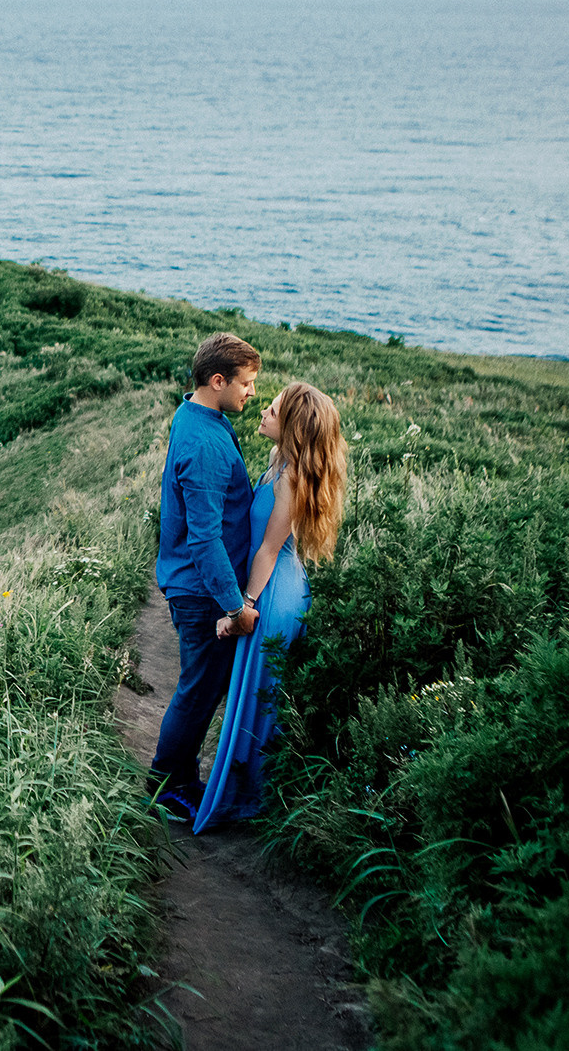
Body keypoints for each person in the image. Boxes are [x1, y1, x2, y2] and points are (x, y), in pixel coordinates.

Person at [190, 381, 349, 831]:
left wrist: (241, 609)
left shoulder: (291, 477)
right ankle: (246, 794)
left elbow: (267, 550)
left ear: (293, 428)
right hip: (274, 586)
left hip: (272, 593)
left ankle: (251, 802)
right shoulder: (281, 459)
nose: (263, 411)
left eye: (274, 410)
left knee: (258, 702)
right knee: (252, 696)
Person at [148, 332, 262, 819]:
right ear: (218, 381)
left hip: (195, 584)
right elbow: (205, 539)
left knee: (201, 689)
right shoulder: (206, 444)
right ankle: (167, 786)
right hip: (202, 592)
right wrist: (235, 607)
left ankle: (180, 780)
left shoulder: (194, 413)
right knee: (198, 692)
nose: (252, 392)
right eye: (246, 383)